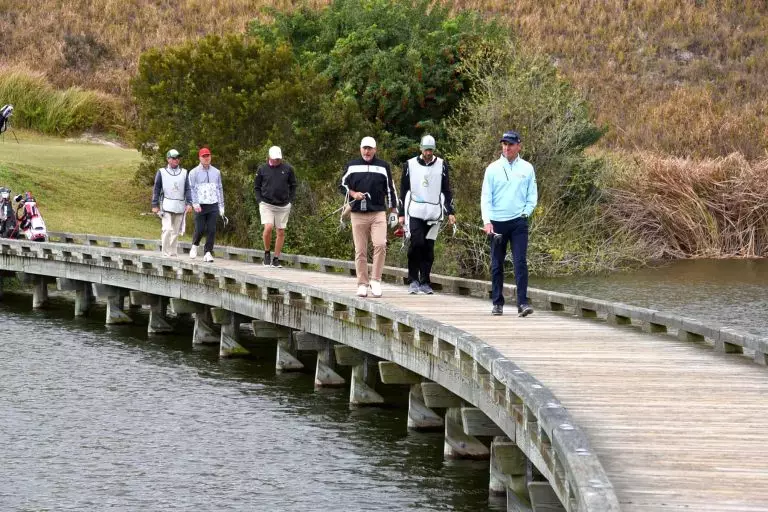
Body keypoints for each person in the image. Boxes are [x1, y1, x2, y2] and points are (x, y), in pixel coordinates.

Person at [481, 130, 538, 317]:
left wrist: (525, 213)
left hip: (518, 222)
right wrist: (487, 221)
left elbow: (532, 196)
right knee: (497, 264)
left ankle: (522, 303)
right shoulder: (492, 168)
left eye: (510, 144)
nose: (507, 148)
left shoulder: (527, 168)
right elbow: (485, 198)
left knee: (520, 261)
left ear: (518, 146)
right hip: (497, 223)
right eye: (504, 144)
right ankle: (497, 303)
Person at [340, 136, 398, 298]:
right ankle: (362, 284)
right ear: (360, 149)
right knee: (360, 251)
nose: (367, 151)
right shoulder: (352, 166)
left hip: (378, 212)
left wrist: (394, 210)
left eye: (370, 148)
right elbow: (342, 184)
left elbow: (390, 189)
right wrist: (353, 193)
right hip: (357, 213)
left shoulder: (383, 166)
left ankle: (376, 280)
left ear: (375, 149)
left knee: (380, 244)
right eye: (364, 148)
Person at [398, 135, 455, 295]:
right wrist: (401, 213)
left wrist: (450, 211)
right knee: (417, 243)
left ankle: (425, 281)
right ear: (420, 148)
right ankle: (413, 279)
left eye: (431, 150)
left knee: (429, 248)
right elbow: (403, 190)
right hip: (415, 211)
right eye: (426, 149)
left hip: (434, 213)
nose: (428, 153)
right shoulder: (409, 165)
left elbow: (446, 190)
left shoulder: (442, 165)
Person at [254, 146, 297, 268]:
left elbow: (293, 185)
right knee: (268, 227)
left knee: (281, 231)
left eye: (278, 159)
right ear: (269, 157)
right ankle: (267, 252)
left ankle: (276, 258)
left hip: (283, 204)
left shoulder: (288, 169)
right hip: (266, 203)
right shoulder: (262, 169)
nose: (277, 161)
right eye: (275, 159)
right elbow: (257, 187)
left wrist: (290, 200)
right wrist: (259, 200)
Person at [151, 149, 192, 257]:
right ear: (168, 159)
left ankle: (173, 253)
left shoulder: (184, 172)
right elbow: (156, 189)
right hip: (166, 206)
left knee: (175, 232)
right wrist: (154, 205)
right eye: (174, 158)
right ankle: (165, 253)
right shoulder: (161, 172)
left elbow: (188, 189)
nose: (176, 160)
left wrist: (189, 203)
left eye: (178, 158)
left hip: (179, 206)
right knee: (167, 229)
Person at [188, 147, 225, 263]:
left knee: (211, 229)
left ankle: (208, 252)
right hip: (200, 204)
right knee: (200, 229)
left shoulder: (216, 172)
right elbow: (191, 189)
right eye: (204, 156)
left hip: (213, 203)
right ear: (200, 158)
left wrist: (221, 206)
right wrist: (194, 203)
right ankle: (195, 244)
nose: (206, 158)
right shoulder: (194, 172)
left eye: (208, 156)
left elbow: (219, 188)